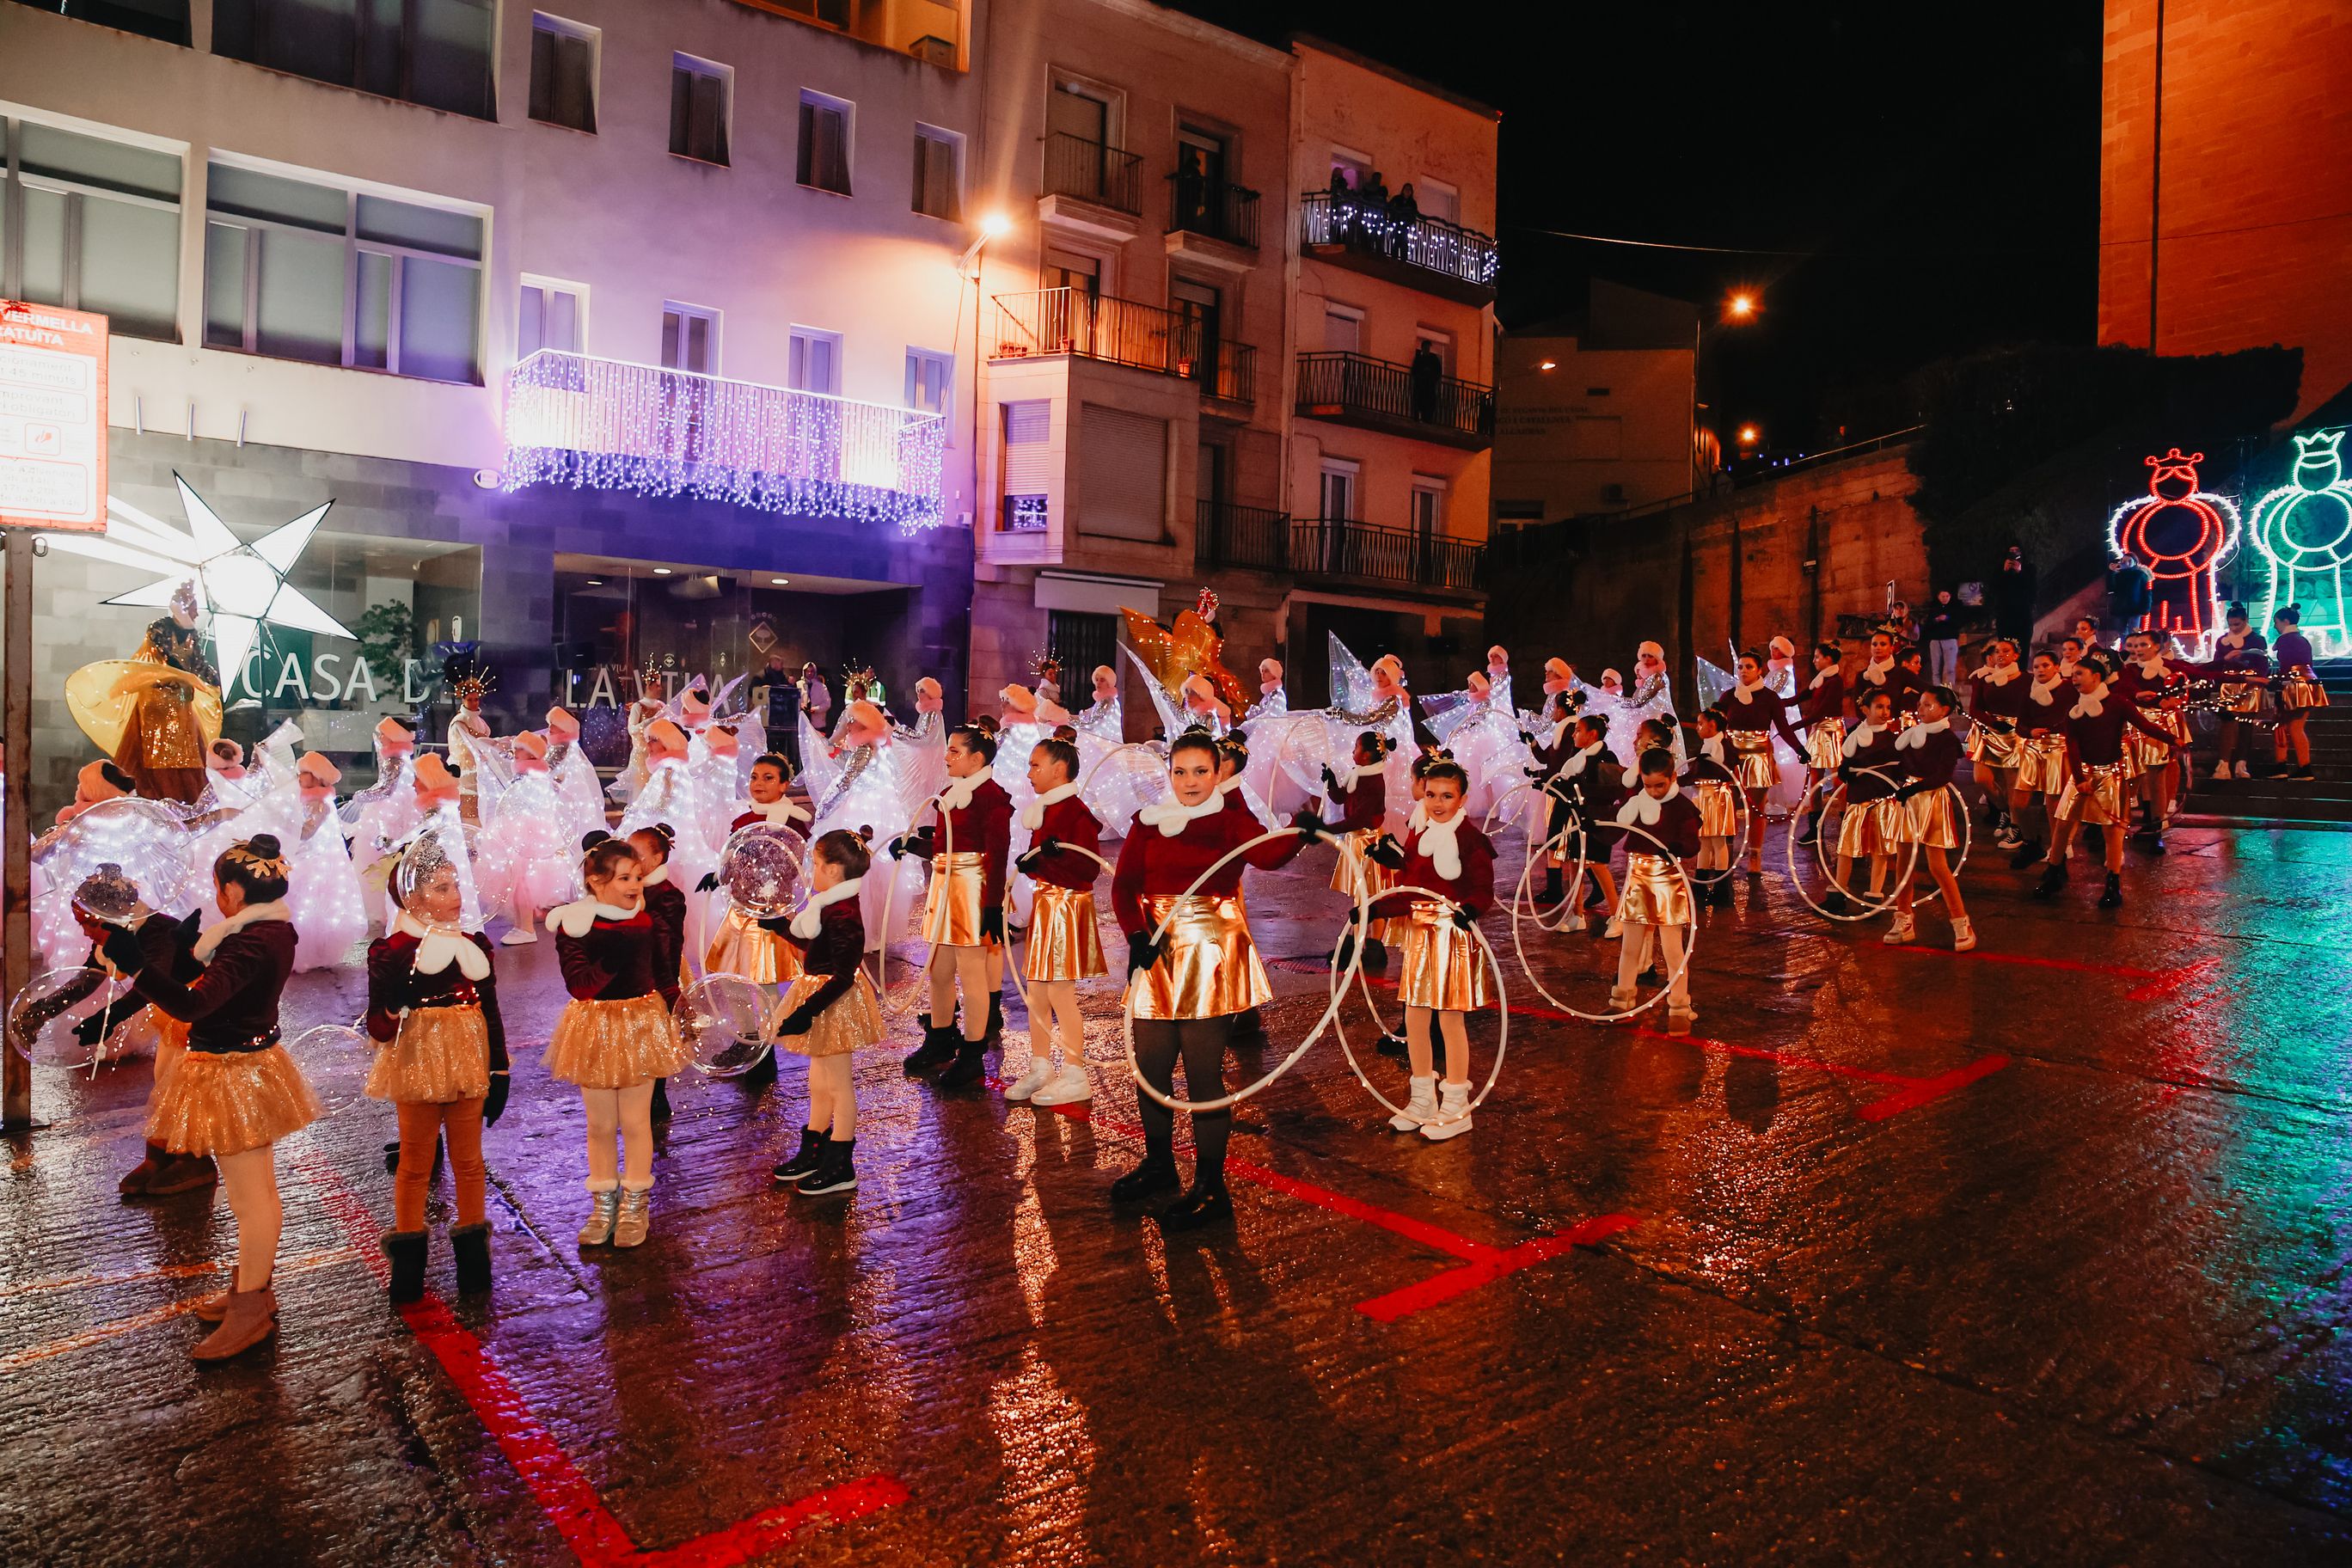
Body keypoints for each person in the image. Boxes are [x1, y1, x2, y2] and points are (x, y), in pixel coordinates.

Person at [101, 835, 322, 1360]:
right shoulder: (263, 931)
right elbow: (214, 990)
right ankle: (252, 1287)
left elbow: (194, 1006)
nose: (217, 896)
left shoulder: (251, 941)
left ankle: (252, 1306)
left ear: (232, 891)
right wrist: (181, 956)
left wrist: (140, 968)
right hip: (242, 1065)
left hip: (235, 1074)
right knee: (255, 1192)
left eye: (218, 887)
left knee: (250, 1199)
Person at [1112, 733, 1308, 1229]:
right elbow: (1124, 885)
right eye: (1180, 772)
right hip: (1157, 948)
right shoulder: (1148, 821)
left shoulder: (1228, 820)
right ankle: (1159, 1165)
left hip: (1207, 951)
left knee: (1202, 1077)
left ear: (1218, 773)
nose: (1190, 782)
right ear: (1169, 774)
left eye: (1201, 771)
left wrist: (1303, 831)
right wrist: (1136, 935)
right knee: (1151, 1068)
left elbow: (1268, 855)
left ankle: (1210, 1187)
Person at [367, 842, 507, 1302]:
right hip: (417, 1063)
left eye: (456, 885)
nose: (456, 897)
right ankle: (408, 1268)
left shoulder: (474, 946)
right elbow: (378, 1025)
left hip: (467, 1061)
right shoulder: (393, 950)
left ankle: (474, 1265)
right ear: (412, 897)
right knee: (414, 1163)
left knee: (469, 1162)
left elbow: (490, 1012)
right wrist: (395, 1004)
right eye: (441, 888)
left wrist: (500, 1069)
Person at [546, 834, 691, 1248]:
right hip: (595, 1026)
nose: (634, 885)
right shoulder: (575, 926)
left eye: (638, 877)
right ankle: (603, 1205)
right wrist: (615, 953)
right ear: (596, 882)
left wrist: (681, 1011)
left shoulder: (646, 922)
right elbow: (580, 985)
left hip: (640, 1025)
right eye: (624, 878)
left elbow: (664, 974)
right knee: (600, 1124)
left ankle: (635, 1205)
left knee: (636, 1122)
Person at [1362, 758, 1491, 1138]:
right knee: (1415, 1016)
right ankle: (1422, 1099)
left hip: (1451, 933)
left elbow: (1483, 888)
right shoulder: (1419, 836)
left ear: (1462, 798)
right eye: (1431, 794)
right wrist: (1374, 908)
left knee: (1449, 1019)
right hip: (1420, 934)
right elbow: (1410, 891)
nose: (1437, 802)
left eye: (1447, 796)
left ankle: (1456, 1105)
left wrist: (1471, 909)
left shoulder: (1470, 839)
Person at [761, 830, 884, 1196]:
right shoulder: (829, 905)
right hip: (819, 995)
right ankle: (814, 1148)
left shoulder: (844, 912)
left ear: (832, 870)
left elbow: (844, 975)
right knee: (819, 1080)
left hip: (833, 1002)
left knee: (838, 1085)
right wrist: (781, 928)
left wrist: (806, 1012)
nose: (811, 871)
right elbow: (817, 947)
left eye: (815, 864)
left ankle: (841, 1162)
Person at [897, 726, 1014, 1088]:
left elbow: (998, 854)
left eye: (954, 751)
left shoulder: (992, 798)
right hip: (945, 884)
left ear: (976, 759)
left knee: (972, 972)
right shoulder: (950, 794)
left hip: (972, 889)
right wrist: (915, 846)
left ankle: (972, 1054)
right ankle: (941, 1037)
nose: (947, 757)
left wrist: (993, 906)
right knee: (940, 969)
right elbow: (945, 846)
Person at [2033, 649, 2179, 909]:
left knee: (2113, 831)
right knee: (2062, 824)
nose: (2074, 678)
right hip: (2082, 775)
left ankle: (2113, 883)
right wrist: (2079, 778)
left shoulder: (2118, 703)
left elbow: (2144, 725)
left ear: (2097, 676)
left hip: (2110, 775)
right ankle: (2054, 873)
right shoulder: (2075, 709)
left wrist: (2173, 739)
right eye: (2073, 674)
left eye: (2080, 674)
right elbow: (2072, 745)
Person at [1007, 737, 1104, 1106]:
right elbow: (1051, 862)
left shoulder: (1075, 812)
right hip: (1047, 903)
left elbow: (1088, 868)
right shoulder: (1047, 808)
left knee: (1060, 992)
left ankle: (1076, 1072)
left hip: (1067, 905)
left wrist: (1052, 858)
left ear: (1059, 770)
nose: (1029, 773)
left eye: (1036, 765)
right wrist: (1035, 864)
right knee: (1037, 990)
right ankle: (1041, 1065)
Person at [1610, 750, 1700, 1032]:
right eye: (1648, 785)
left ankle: (1679, 1007)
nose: (1654, 791)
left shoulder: (1682, 807)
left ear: (1672, 777)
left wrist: (1677, 848)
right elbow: (1614, 829)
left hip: (1668, 881)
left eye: (1660, 785)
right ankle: (1622, 1000)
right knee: (1630, 947)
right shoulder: (1638, 802)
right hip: (1639, 877)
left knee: (1673, 951)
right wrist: (1591, 822)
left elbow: (1692, 842)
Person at [1883, 686, 1974, 952]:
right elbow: (1894, 761)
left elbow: (1943, 775)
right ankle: (1903, 917)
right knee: (1903, 862)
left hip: (1932, 799)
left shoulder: (1946, 739)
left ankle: (1961, 921)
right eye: (1920, 704)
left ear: (1944, 710)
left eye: (1927, 705)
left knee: (1937, 865)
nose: (1920, 709)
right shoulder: (1912, 734)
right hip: (1909, 798)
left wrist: (1914, 789)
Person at [1318, 732, 1394, 971]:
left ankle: (1373, 946)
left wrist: (1327, 829)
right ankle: (1355, 943)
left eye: (1357, 747)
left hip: (1368, 843)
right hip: (1356, 840)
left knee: (1373, 895)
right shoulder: (1358, 774)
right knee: (1359, 895)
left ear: (1368, 754)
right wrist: (1331, 782)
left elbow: (1359, 819)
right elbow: (1341, 798)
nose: (1353, 751)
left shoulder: (1373, 782)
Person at [628, 822, 689, 1118]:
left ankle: (656, 1102)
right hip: (636, 974)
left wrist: (668, 990)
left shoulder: (665, 896)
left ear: (656, 859)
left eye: (636, 855)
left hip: (657, 976)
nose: (630, 860)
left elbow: (666, 946)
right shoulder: (633, 888)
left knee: (654, 1038)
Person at [2115, 628, 2192, 851]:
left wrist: (2176, 700)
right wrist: (2140, 696)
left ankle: (2157, 828)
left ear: (2157, 647)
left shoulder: (2170, 668)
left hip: (2161, 725)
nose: (2138, 650)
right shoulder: (2129, 670)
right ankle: (2148, 820)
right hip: (2136, 723)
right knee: (2141, 775)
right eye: (2135, 645)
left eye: (2143, 645)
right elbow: (2124, 688)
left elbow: (2199, 674)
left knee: (2156, 774)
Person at [1715, 649, 1791, 873]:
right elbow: (1715, 724)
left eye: (1749, 667)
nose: (1743, 671)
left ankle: (1755, 855)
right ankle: (1725, 851)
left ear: (1759, 670)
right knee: (1726, 805)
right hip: (1731, 756)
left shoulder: (1770, 698)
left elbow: (1783, 727)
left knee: (1756, 808)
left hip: (1758, 757)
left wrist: (1800, 750)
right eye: (1740, 666)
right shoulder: (1728, 697)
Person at [1828, 688, 1902, 915]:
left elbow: (1899, 769)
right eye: (1879, 707)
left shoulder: (1892, 740)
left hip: (1882, 800)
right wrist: (1847, 771)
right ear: (1865, 710)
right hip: (1858, 800)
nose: (1885, 712)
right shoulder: (1853, 737)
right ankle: (1838, 894)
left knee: (1880, 851)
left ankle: (1874, 896)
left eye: (1888, 707)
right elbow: (1846, 765)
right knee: (1846, 848)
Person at [2006, 649, 2069, 870]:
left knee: (2053, 803)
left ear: (2056, 667)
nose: (2040, 670)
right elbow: (2020, 725)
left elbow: (2073, 717)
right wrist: (2030, 732)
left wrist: (2054, 730)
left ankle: (2058, 852)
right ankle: (2031, 842)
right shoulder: (2029, 692)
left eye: (2045, 666)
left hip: (2058, 748)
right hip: (2033, 748)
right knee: (2018, 803)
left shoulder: (2067, 690)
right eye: (2036, 667)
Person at [1965, 637, 2030, 848]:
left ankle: (2016, 829)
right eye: (1998, 651)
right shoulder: (1984, 678)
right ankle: (2004, 811)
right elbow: (1974, 709)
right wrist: (1992, 723)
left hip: (2014, 733)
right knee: (1981, 779)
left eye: (2006, 651)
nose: (2001, 655)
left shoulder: (2026, 679)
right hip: (1990, 731)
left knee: (2012, 784)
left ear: (2016, 655)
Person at [1791, 640, 1848, 847]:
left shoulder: (1835, 682)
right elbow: (1799, 698)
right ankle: (1815, 829)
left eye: (1817, 657)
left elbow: (1821, 711)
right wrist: (1775, 702)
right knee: (1815, 779)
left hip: (1831, 731)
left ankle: (1846, 824)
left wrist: (1794, 726)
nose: (1814, 661)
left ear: (1828, 659)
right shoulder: (1820, 680)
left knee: (1838, 779)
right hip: (1818, 730)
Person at [2204, 603, 2271, 779]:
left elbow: (2262, 663)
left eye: (2237, 624)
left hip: (2251, 684)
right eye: (2231, 624)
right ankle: (2223, 764)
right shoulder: (2223, 641)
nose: (2233, 628)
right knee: (2228, 723)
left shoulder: (2257, 639)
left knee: (2246, 724)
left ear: (2246, 620)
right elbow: (2217, 663)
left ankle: (2241, 764)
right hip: (2229, 684)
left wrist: (2258, 678)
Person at [1682, 708, 1739, 909]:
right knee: (1704, 842)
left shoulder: (1720, 746)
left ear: (1712, 725)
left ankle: (1722, 889)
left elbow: (1719, 769)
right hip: (1704, 794)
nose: (1698, 728)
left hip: (1716, 795)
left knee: (1718, 841)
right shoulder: (1709, 745)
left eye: (1701, 724)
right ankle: (1701, 885)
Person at [2269, 606, 2326, 779]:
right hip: (2308, 685)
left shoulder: (2285, 640)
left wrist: (2278, 683)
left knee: (2282, 725)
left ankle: (2281, 765)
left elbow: (2286, 665)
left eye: (2276, 622)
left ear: (2285, 621)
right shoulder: (2303, 640)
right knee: (2297, 728)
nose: (2275, 626)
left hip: (2292, 685)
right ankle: (2304, 767)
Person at [1994, 544, 2037, 646]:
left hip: (2023, 615)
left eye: (2016, 551)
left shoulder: (2029, 568)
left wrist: (2020, 572)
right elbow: (1995, 588)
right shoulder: (2000, 569)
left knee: (2023, 646)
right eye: (2011, 551)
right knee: (2005, 645)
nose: (2014, 554)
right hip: (2004, 615)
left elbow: (2032, 589)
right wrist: (2004, 572)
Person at [2105, 551, 2153, 640]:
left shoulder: (2140, 575)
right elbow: (2111, 588)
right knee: (2122, 633)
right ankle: (2125, 648)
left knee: (2134, 634)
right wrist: (2111, 573)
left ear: (2135, 562)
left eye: (2129, 561)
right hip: (2120, 609)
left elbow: (2146, 593)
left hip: (2135, 609)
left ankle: (2133, 647)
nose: (2126, 563)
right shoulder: (2118, 575)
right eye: (2123, 561)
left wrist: (2146, 608)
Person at [1924, 590, 1961, 688]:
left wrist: (1947, 619)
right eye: (1943, 596)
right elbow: (1927, 625)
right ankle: (1937, 688)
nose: (1945, 598)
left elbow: (1958, 623)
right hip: (1936, 640)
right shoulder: (1934, 609)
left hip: (1949, 639)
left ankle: (1948, 689)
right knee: (1936, 667)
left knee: (1950, 667)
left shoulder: (1955, 609)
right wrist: (1936, 620)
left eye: (1947, 596)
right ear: (1938, 597)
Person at [1409, 338, 1442, 424]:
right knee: (1419, 403)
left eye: (1428, 348)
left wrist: (1432, 376)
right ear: (1422, 348)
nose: (1427, 349)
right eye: (1426, 348)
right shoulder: (1419, 359)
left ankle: (1428, 420)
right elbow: (1414, 372)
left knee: (1429, 405)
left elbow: (1438, 372)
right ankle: (1418, 419)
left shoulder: (1433, 359)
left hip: (1429, 387)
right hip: (1420, 387)